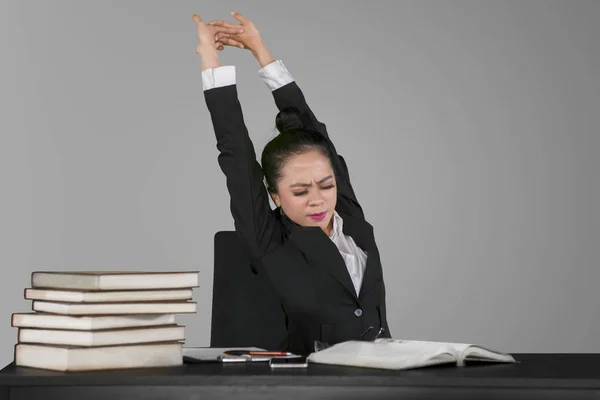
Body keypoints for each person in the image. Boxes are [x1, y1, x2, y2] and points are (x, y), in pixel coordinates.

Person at [192, 12, 391, 356]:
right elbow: (235, 152)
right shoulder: (270, 240)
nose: (318, 200)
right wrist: (211, 60)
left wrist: (260, 50)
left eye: (326, 185)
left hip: (385, 374)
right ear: (275, 196)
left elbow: (314, 129)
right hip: (308, 382)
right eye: (300, 191)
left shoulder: (352, 221)